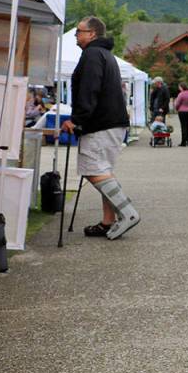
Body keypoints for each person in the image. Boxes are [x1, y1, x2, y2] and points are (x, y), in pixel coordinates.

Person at [60, 16, 140, 240]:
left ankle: (127, 213)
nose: (76, 34)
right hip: (111, 122)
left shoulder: (92, 55)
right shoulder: (105, 54)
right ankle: (108, 221)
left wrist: (76, 119)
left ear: (92, 33)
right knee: (104, 170)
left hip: (101, 124)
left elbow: (89, 89)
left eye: (79, 31)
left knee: (93, 170)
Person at [173, 82, 188, 147]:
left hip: (182, 111)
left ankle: (183, 142)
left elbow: (177, 103)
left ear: (181, 87)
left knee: (183, 126)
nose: (179, 88)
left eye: (179, 87)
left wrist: (177, 108)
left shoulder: (181, 94)